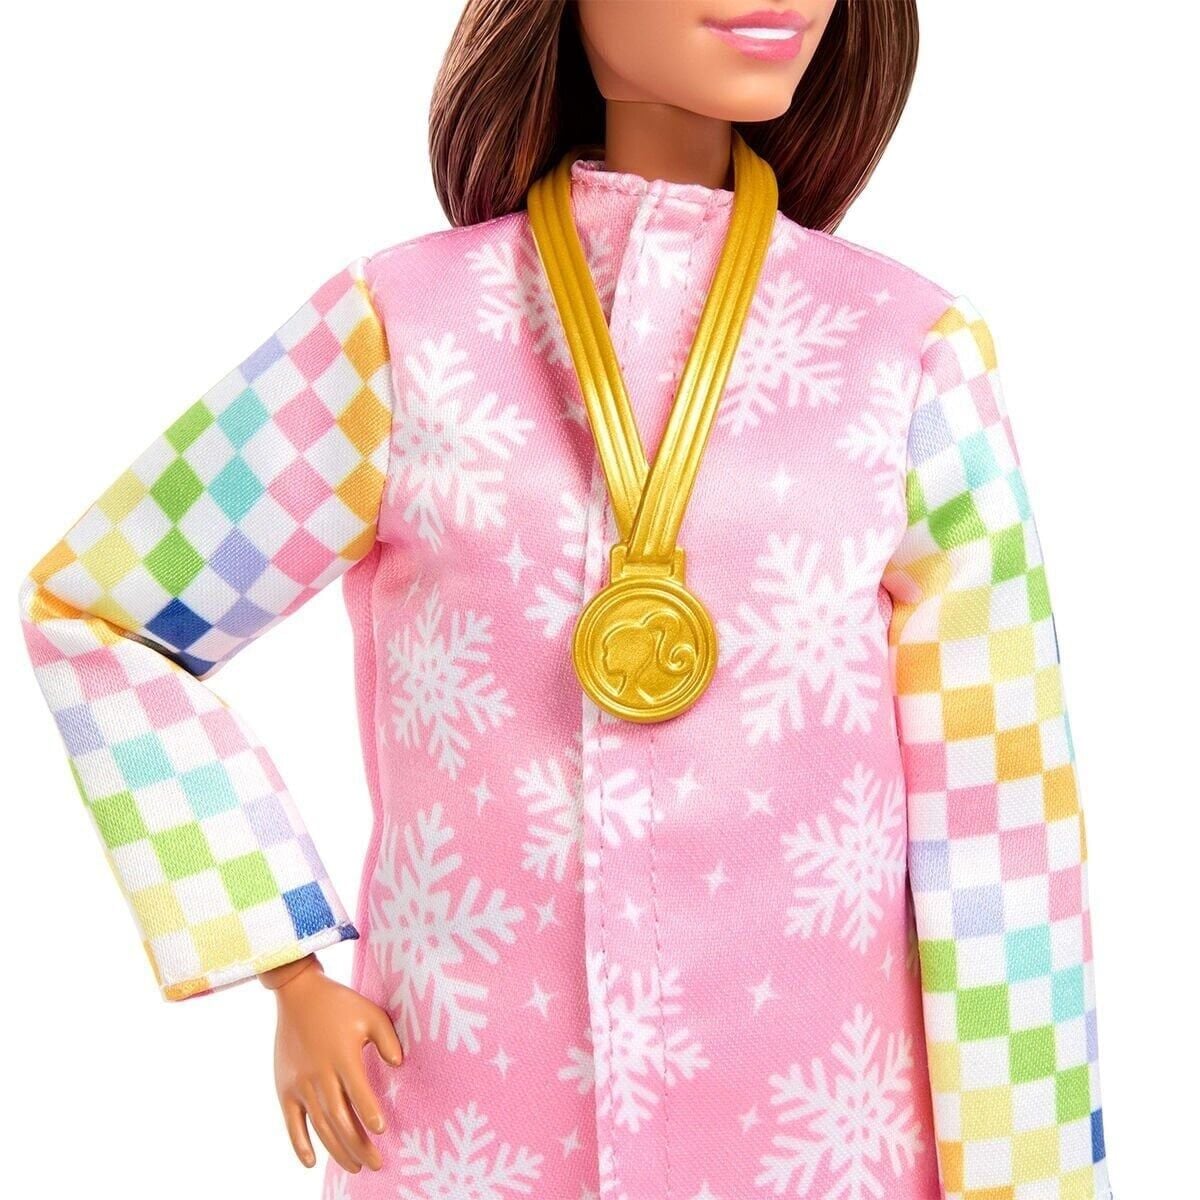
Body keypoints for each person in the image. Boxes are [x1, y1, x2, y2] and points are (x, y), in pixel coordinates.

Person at [16, 3, 1112, 1198]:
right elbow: (103, 614)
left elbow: (1000, 794)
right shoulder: (403, 330)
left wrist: (1034, 1177)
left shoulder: (899, 350)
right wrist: (279, 956)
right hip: (474, 1114)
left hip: (821, 1137)